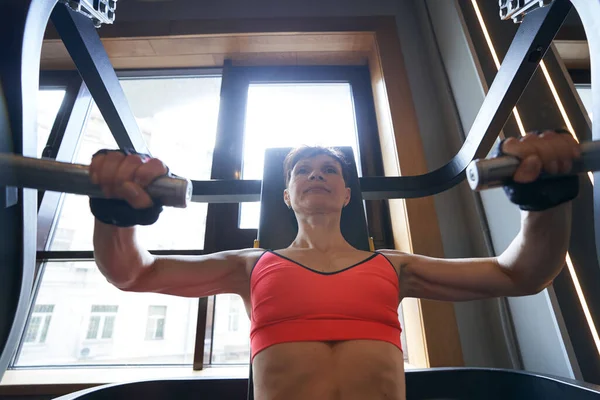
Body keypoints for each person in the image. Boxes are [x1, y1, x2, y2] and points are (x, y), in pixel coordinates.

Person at [89, 130, 580, 400]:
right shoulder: (249, 266)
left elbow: (522, 273)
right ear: (288, 196)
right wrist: (117, 215)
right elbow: (133, 273)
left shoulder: (395, 266)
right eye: (303, 171)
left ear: (346, 194)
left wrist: (546, 202)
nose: (316, 175)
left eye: (329, 171)